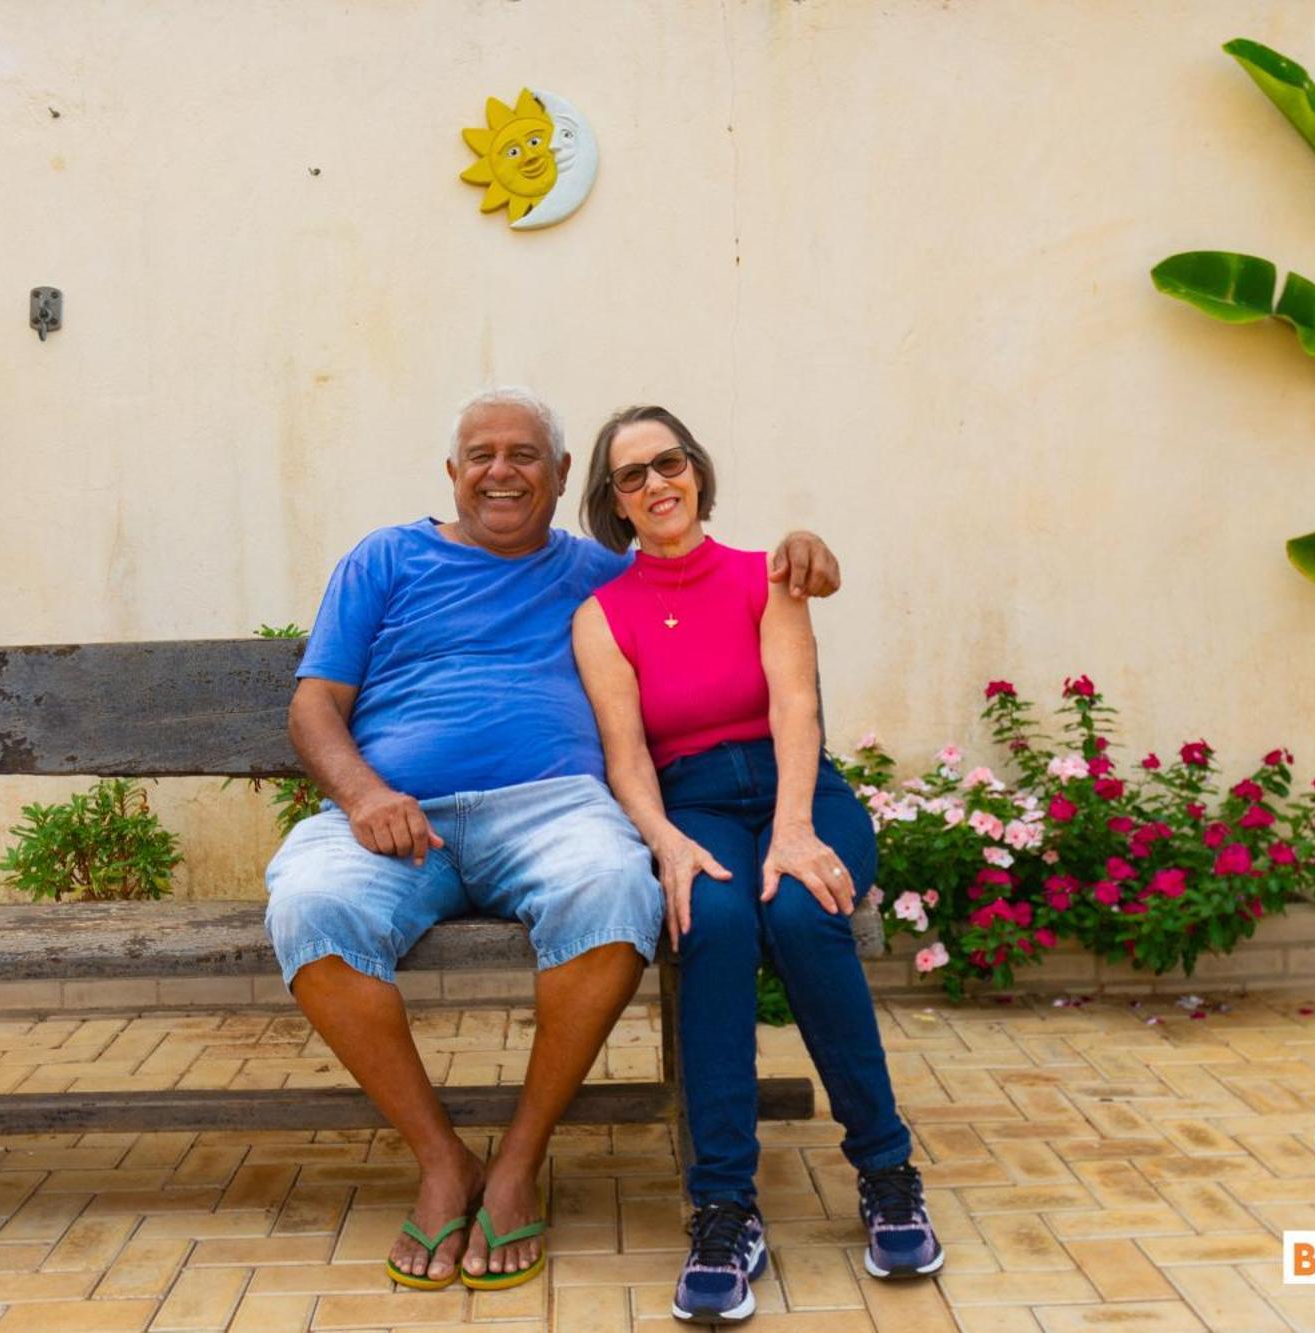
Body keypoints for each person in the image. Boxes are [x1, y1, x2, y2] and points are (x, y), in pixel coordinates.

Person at [264, 388, 841, 1293]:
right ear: (452, 472)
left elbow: (694, 561)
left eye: (525, 454)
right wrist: (364, 790)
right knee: (309, 906)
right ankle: (442, 1158)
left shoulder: (601, 571)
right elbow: (313, 706)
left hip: (553, 809)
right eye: (481, 454)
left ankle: (519, 1158)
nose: (502, 471)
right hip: (396, 814)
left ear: (566, 476)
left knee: (617, 889)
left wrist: (798, 548)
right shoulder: (385, 558)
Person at [570, 405, 942, 1324]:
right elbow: (626, 758)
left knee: (808, 914)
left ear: (696, 470)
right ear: (614, 504)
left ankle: (889, 1173)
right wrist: (663, 840)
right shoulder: (601, 614)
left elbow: (797, 710)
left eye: (670, 462)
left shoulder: (763, 578)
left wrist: (793, 828)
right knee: (716, 923)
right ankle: (725, 1208)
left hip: (800, 788)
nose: (657, 483)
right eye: (632, 476)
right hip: (691, 805)